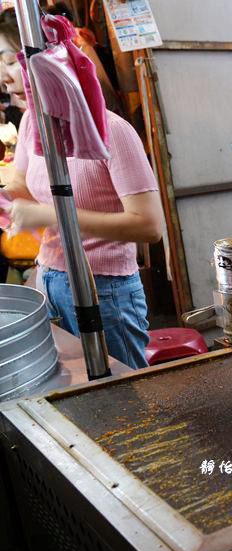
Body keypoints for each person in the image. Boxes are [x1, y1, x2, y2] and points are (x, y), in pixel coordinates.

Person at [0, 9, 164, 369]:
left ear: (44, 61)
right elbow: (21, 183)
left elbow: (149, 226)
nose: (2, 76)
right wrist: (7, 196)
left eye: (7, 61)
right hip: (52, 279)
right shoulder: (31, 121)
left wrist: (51, 214)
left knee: (121, 395)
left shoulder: (113, 130)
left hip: (107, 288)